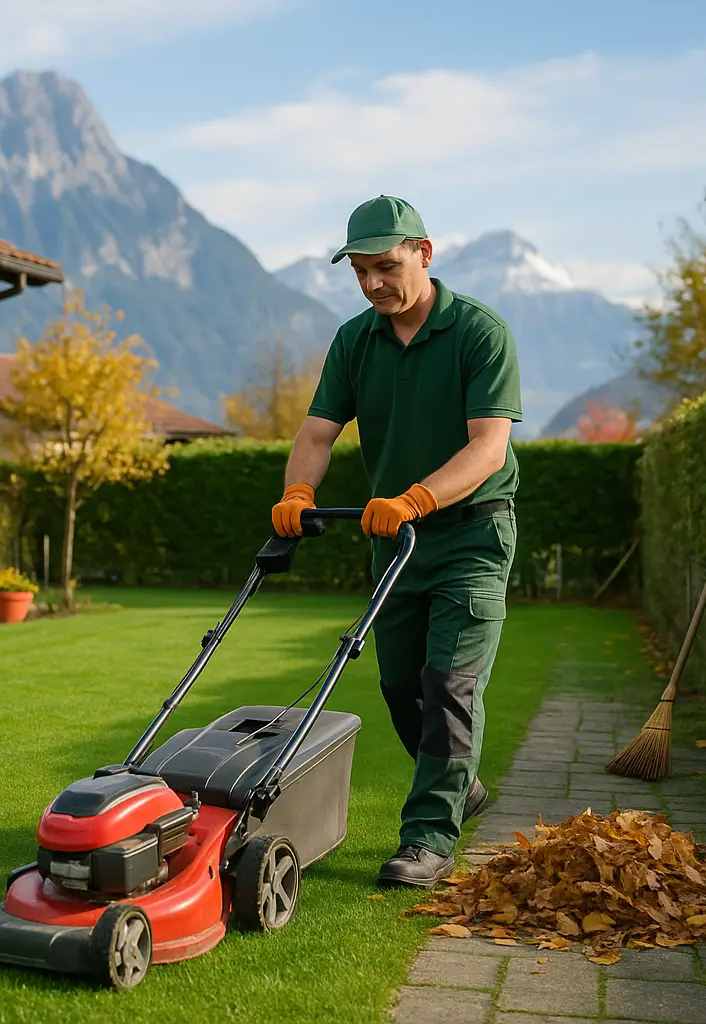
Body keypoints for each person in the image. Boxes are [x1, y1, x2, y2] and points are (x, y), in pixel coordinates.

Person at [271, 195, 522, 888]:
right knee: (397, 685)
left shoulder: (479, 333)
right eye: (360, 271)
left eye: (386, 266)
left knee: (449, 687)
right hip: (395, 542)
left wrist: (416, 497)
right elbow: (318, 432)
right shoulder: (356, 340)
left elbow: (489, 448)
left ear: (425, 253)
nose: (374, 283)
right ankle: (461, 785)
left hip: (471, 536)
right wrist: (299, 493)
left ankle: (428, 839)